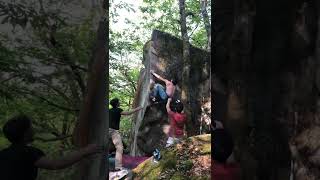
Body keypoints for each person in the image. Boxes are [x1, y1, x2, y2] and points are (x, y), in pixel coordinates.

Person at [0, 115, 102, 180]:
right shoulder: (28, 153)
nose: (33, 130)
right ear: (25, 133)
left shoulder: (3, 154)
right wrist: (86, 150)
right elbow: (56, 164)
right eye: (30, 128)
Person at [109, 98, 142, 171]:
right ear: (117, 103)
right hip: (113, 131)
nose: (119, 103)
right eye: (119, 102)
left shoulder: (109, 111)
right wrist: (138, 108)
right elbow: (128, 113)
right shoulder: (118, 110)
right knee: (119, 148)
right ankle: (118, 168)